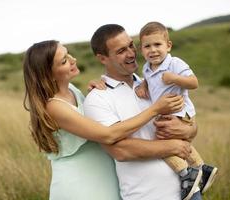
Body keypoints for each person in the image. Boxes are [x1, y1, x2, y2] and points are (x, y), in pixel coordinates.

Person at [22, 40, 185, 200]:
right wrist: (155, 109)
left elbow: (88, 120)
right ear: (48, 74)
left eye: (68, 54)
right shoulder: (54, 106)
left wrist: (92, 94)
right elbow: (108, 134)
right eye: (64, 61)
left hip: (102, 176)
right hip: (79, 183)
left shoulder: (71, 90)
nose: (73, 60)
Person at [83, 24, 201, 200]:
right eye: (121, 50)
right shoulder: (98, 98)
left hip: (190, 192)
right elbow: (121, 151)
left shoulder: (153, 84)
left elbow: (187, 121)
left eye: (131, 45)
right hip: (148, 195)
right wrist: (172, 145)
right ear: (102, 58)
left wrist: (190, 130)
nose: (131, 53)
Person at [135, 21, 218, 200]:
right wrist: (143, 85)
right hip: (168, 115)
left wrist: (174, 78)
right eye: (147, 46)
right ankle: (202, 168)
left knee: (163, 146)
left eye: (157, 44)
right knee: (174, 143)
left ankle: (185, 173)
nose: (153, 50)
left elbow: (194, 83)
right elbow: (149, 80)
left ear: (168, 45)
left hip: (181, 113)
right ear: (141, 50)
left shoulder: (174, 63)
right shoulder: (147, 68)